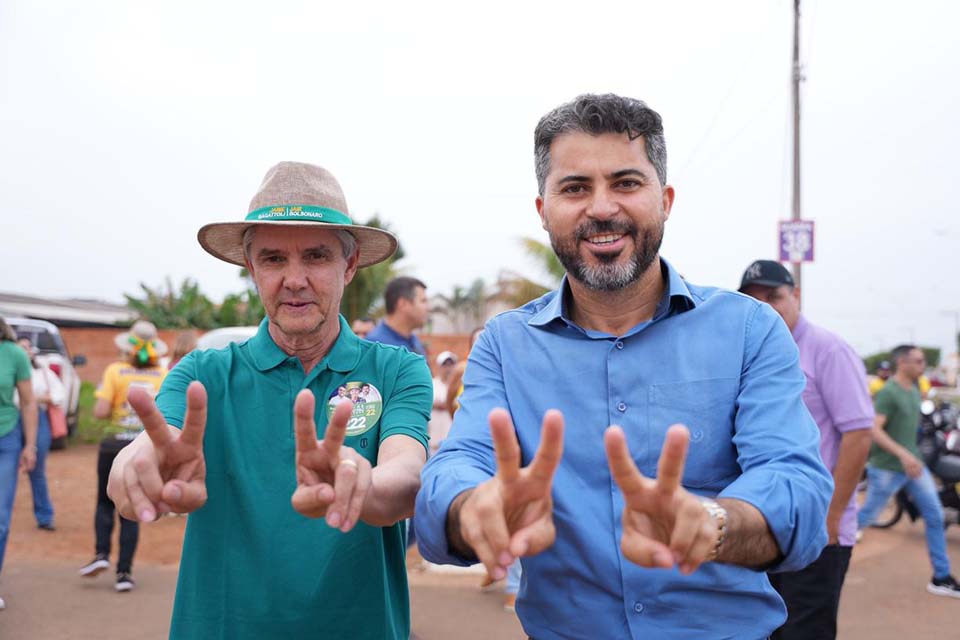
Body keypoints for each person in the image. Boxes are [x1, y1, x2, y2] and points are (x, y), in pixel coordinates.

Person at [414, 93, 833, 639]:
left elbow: (795, 482)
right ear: (543, 212)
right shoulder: (503, 344)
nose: (603, 207)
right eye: (575, 188)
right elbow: (458, 463)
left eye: (626, 183)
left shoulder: (749, 331)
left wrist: (713, 524)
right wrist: (471, 509)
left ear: (666, 200)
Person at [106, 161, 432, 639]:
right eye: (274, 259)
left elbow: (406, 475)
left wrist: (358, 482)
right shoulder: (203, 374)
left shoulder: (396, 369)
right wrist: (136, 470)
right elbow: (149, 453)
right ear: (250, 268)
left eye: (317, 256)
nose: (294, 279)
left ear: (350, 263)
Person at [739, 259, 874, 639]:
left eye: (774, 296)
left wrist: (830, 518)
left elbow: (859, 434)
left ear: (796, 295)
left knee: (805, 630)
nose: (766, 307)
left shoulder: (828, 350)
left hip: (819, 529)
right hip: (766, 527)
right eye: (754, 299)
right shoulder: (753, 351)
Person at [858, 344, 960, 597]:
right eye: (918, 360)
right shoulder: (889, 392)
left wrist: (912, 452)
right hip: (887, 468)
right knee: (865, 517)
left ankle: (941, 576)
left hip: (915, 466)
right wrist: (902, 454)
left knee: (935, 516)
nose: (923, 365)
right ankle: (823, 555)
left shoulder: (915, 389)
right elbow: (874, 429)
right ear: (902, 362)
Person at [79, 320, 168, 592]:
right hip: (143, 447)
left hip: (112, 443)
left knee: (104, 501)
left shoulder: (115, 371)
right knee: (133, 504)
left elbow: (101, 411)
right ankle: (124, 574)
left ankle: (101, 554)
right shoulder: (162, 375)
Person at [0, 318, 37, 611]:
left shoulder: (14, 354)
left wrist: (30, 444)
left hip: (7, 439)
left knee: (0, 518)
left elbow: (27, 401)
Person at [17, 337, 66, 531]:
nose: (25, 351)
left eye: (27, 347)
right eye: (20, 347)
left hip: (39, 419)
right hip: (13, 420)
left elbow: (58, 395)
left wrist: (33, 398)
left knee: (36, 469)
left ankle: (44, 516)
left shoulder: (42, 373)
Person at [365, 277, 429, 357]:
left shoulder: (414, 341)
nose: (428, 308)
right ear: (403, 304)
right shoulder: (376, 347)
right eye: (423, 301)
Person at [429, 351, 457, 454]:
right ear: (439, 367)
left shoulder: (458, 386)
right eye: (445, 365)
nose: (448, 369)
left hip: (452, 440)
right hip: (434, 440)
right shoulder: (432, 384)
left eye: (451, 365)